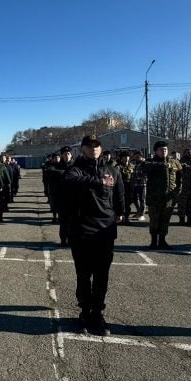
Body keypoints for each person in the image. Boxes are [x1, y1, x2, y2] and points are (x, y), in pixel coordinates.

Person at [63, 137, 125, 335]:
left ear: (101, 148)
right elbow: (69, 180)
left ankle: (97, 312)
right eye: (89, 146)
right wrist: (98, 181)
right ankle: (85, 310)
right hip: (82, 229)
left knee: (101, 274)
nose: (94, 149)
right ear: (82, 149)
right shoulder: (77, 168)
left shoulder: (112, 169)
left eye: (96, 146)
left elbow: (120, 192)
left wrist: (121, 211)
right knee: (83, 274)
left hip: (104, 229)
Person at [141, 141, 182, 249]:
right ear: (156, 151)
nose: (164, 151)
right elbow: (145, 167)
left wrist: (177, 192)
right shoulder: (150, 162)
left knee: (165, 220)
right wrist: (163, 165)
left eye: (165, 149)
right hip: (154, 198)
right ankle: (154, 241)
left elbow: (180, 177)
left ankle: (162, 241)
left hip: (169, 197)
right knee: (154, 220)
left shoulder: (174, 162)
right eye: (161, 149)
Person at [46, 146, 74, 245]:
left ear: (71, 155)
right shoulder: (56, 167)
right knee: (63, 222)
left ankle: (71, 240)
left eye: (69, 154)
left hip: (74, 200)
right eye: (65, 154)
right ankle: (63, 240)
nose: (67, 156)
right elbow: (50, 172)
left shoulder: (75, 166)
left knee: (73, 222)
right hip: (62, 199)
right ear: (62, 155)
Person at [115, 151, 134, 224]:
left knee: (128, 204)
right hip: (122, 186)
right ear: (121, 158)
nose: (126, 158)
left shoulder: (132, 166)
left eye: (128, 157)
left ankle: (126, 218)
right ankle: (121, 218)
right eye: (124, 157)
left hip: (130, 186)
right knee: (121, 203)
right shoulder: (118, 167)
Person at [130, 150, 147, 221]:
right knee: (134, 199)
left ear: (141, 156)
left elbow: (146, 175)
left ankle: (142, 214)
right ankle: (138, 211)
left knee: (142, 199)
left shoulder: (145, 163)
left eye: (137, 157)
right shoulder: (135, 163)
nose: (136, 158)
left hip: (142, 184)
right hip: (135, 184)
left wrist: (136, 176)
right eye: (135, 157)